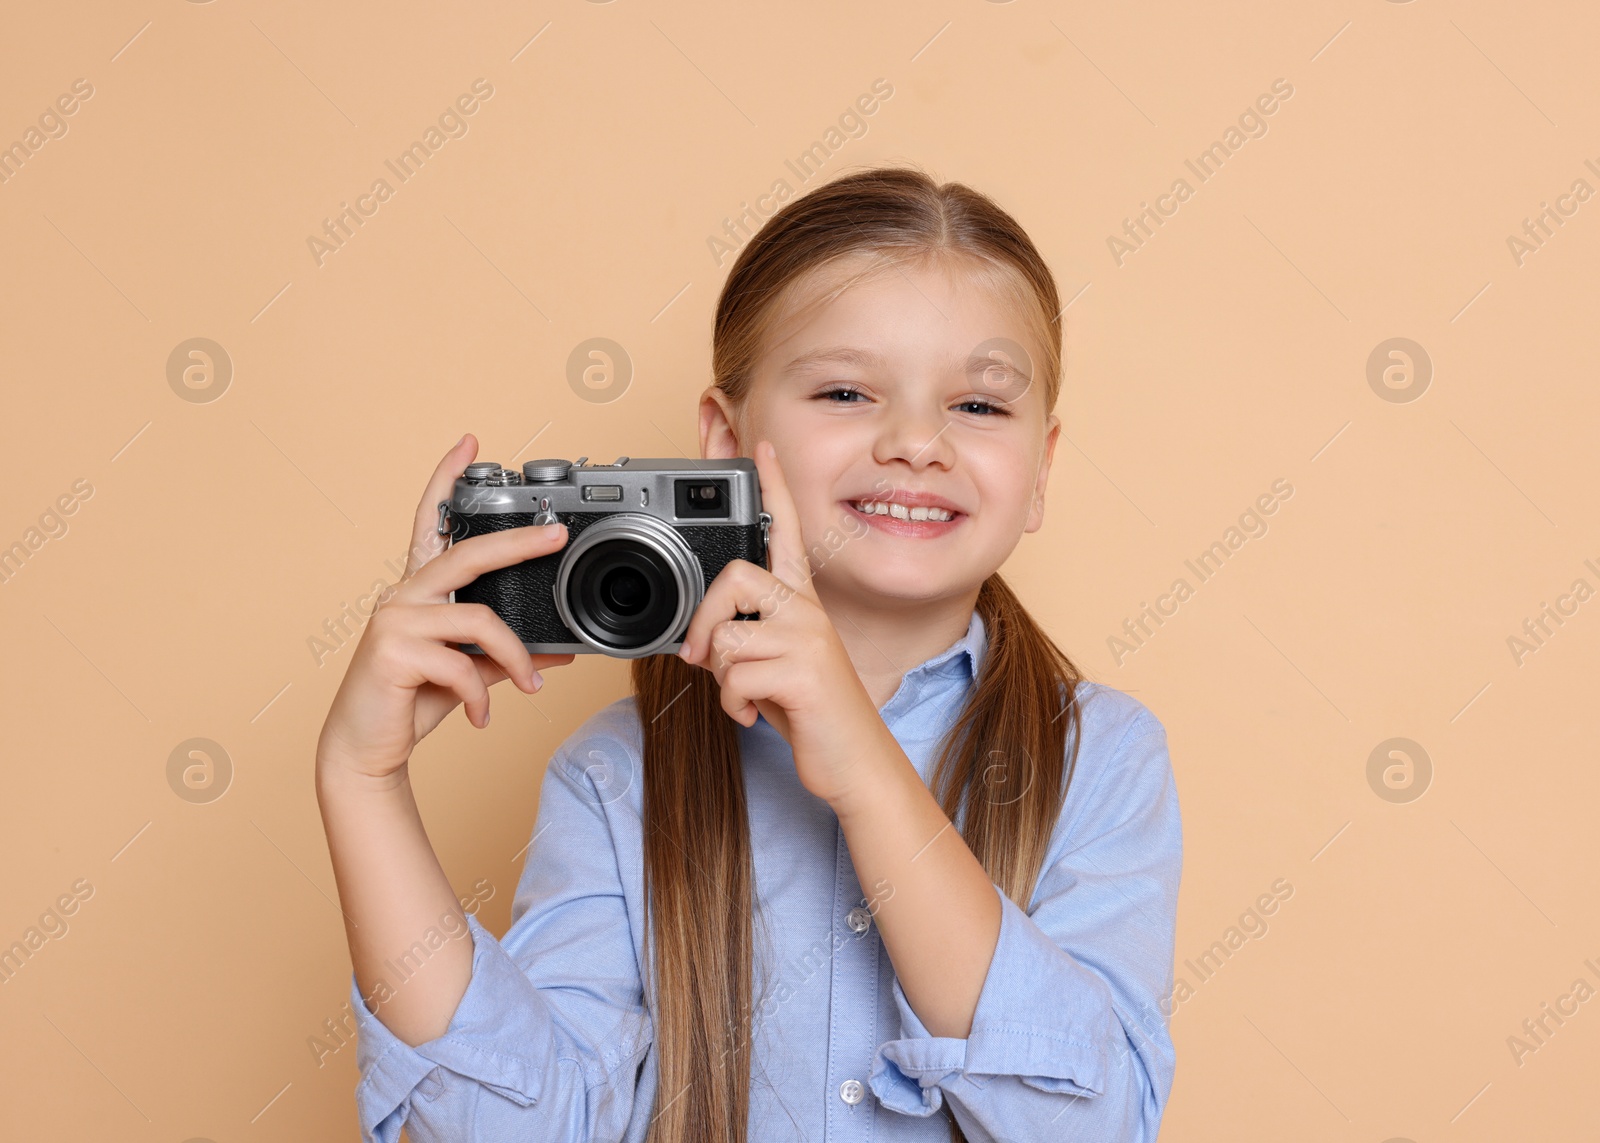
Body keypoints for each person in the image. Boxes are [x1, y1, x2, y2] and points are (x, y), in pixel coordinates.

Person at [315, 164, 1182, 1143]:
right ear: (726, 444)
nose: (915, 442)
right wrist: (363, 780)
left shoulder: (1103, 760)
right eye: (847, 391)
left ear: (1039, 473)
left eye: (978, 407)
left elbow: (1089, 1127)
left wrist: (864, 771)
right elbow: (510, 1129)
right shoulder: (617, 777)